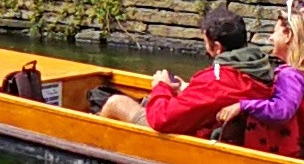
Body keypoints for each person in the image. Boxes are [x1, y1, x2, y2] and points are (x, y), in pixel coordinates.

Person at [211, 0, 304, 164]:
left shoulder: (291, 76)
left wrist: (243, 105)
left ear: (288, 35)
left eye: (275, 32)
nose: (270, 38)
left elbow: (281, 111)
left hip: (283, 157)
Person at [101, 8, 277, 135]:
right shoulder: (262, 72)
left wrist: (161, 86)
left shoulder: (216, 80)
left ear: (216, 47)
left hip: (188, 134)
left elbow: (162, 120)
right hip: (211, 125)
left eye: (205, 42)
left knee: (116, 102)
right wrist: (187, 90)